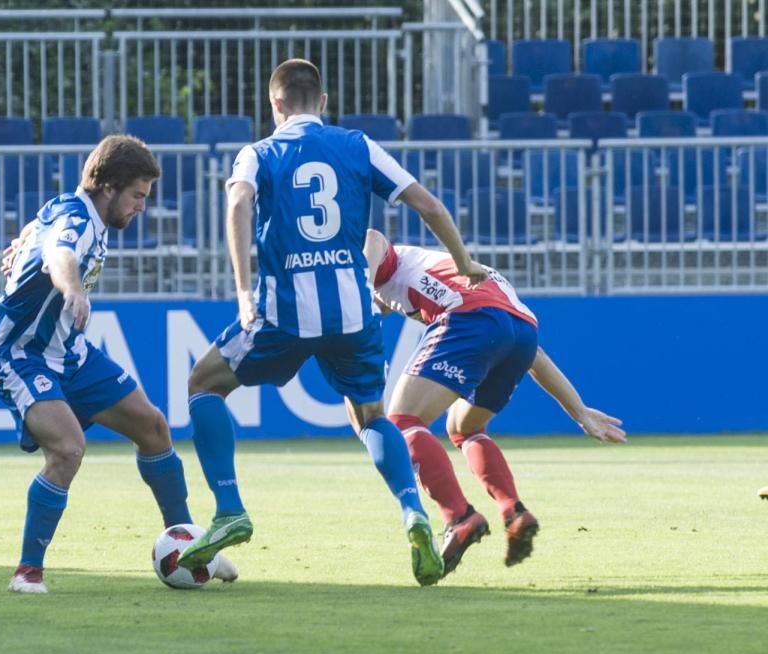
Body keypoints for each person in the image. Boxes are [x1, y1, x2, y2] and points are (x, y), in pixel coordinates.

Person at [176, 58, 487, 586]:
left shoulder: (259, 153)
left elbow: (237, 204)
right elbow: (428, 204)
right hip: (353, 313)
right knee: (370, 417)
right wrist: (462, 263)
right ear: (322, 103)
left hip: (284, 313)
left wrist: (243, 289)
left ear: (274, 104)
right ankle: (413, 512)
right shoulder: (358, 146)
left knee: (203, 385)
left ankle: (229, 508)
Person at [0, 135, 236, 593]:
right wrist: (72, 289)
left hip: (71, 354)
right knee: (67, 449)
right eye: (137, 195)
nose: (142, 206)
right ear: (108, 187)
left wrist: (21, 242)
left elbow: (41, 232)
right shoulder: (79, 223)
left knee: (153, 427)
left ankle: (190, 547)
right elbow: (60, 254)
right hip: (22, 355)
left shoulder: (67, 208)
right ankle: (27, 572)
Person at [364, 229, 626, 577]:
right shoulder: (431, 270)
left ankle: (458, 516)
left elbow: (372, 238)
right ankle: (513, 512)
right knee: (464, 427)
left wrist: (362, 292)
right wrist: (579, 411)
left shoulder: (373, 255)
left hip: (469, 318)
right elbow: (537, 355)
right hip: (521, 331)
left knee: (402, 422)